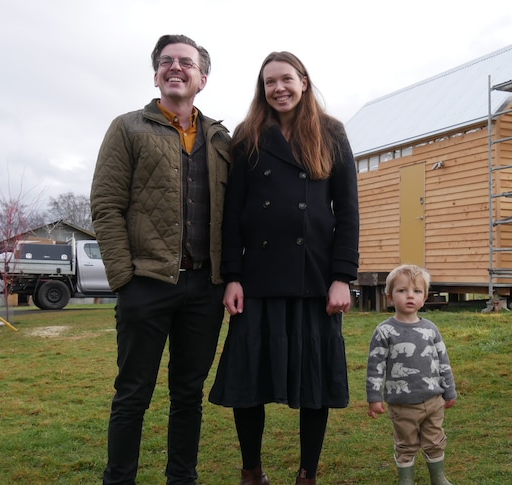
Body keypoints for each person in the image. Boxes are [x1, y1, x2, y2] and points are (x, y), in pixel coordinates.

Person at [208, 51, 360, 485]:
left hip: (314, 278)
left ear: (304, 82)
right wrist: (233, 276)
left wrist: (341, 278)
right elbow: (233, 214)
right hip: (257, 279)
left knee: (314, 382)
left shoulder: (331, 132)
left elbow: (347, 212)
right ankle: (251, 471)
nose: (278, 88)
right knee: (247, 380)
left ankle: (307, 474)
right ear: (262, 88)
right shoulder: (247, 135)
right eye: (269, 82)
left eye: (286, 79)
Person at [90, 34, 231, 485]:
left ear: (201, 78)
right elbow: (106, 206)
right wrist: (124, 280)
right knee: (132, 395)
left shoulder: (220, 139)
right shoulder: (127, 128)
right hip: (145, 285)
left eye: (186, 63)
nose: (176, 67)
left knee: (188, 395)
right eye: (167, 62)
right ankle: (120, 479)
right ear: (156, 75)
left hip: (203, 290)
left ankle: (181, 479)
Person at [366, 265, 457, 485]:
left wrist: (450, 390)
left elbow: (443, 361)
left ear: (424, 298)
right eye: (402, 290)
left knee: (435, 440)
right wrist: (374, 397)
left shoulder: (430, 329)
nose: (410, 295)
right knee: (406, 444)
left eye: (417, 291)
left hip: (433, 400)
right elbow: (375, 365)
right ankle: (405, 480)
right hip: (402, 404)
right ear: (389, 296)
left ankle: (438, 477)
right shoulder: (384, 331)